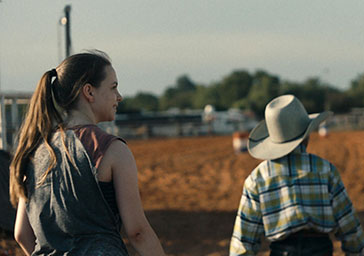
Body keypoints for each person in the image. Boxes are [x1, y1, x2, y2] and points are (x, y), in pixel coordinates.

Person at [9, 50, 166, 256]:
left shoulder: (34, 149)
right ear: (89, 92)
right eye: (113, 87)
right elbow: (138, 232)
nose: (119, 97)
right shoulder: (112, 149)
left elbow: (22, 233)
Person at [229, 95, 364, 256]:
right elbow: (348, 224)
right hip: (320, 249)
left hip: (281, 250)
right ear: (305, 136)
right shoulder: (325, 169)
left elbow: (244, 239)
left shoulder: (258, 178)